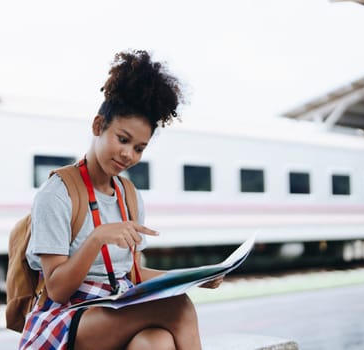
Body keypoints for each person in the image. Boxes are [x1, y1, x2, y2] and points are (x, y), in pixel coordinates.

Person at [21, 49, 223, 350]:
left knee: (156, 342)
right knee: (178, 307)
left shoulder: (129, 196)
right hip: (68, 316)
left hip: (114, 305)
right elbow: (57, 289)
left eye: (139, 148)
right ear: (98, 126)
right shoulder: (58, 192)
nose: (129, 155)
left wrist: (196, 278)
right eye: (123, 139)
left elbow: (132, 274)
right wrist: (97, 238)